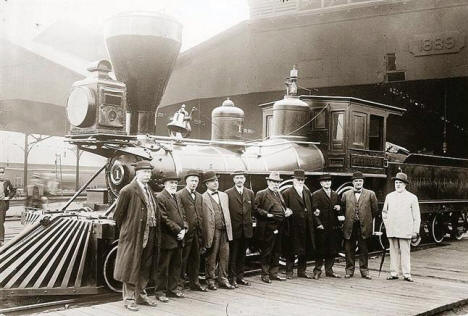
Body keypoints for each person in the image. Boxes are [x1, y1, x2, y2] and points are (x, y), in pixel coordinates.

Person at [113, 161, 159, 312]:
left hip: (149, 233)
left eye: (149, 172)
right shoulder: (128, 190)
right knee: (131, 266)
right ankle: (129, 298)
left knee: (145, 265)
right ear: (137, 173)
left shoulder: (149, 189)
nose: (148, 175)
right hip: (134, 235)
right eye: (144, 172)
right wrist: (129, 230)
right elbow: (118, 216)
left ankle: (141, 295)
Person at [254, 171, 293, 283]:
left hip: (280, 226)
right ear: (268, 182)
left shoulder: (278, 194)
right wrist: (267, 214)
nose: (276, 184)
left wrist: (287, 211)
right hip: (268, 227)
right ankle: (265, 274)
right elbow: (255, 209)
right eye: (273, 182)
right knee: (267, 251)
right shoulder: (261, 193)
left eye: (277, 182)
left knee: (277, 250)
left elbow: (283, 207)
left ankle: (273, 273)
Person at [382, 172, 421, 282]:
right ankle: (394, 273)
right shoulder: (389, 196)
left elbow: (416, 216)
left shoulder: (412, 198)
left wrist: (415, 231)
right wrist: (388, 225)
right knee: (393, 252)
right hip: (393, 230)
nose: (398, 185)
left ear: (405, 184)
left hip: (405, 230)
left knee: (405, 252)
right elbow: (384, 213)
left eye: (400, 183)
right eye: (396, 182)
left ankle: (407, 274)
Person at [156, 171, 188, 302]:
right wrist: (178, 230)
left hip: (179, 238)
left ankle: (172, 290)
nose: (174, 185)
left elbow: (183, 215)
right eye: (171, 183)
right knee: (163, 267)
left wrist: (185, 229)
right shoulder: (160, 197)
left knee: (176, 265)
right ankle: (160, 292)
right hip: (167, 238)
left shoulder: (177, 196)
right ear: (164, 184)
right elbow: (163, 219)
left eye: (175, 183)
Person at [341, 171, 378, 279]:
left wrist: (366, 219)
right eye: (356, 181)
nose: (358, 183)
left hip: (364, 226)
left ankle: (364, 271)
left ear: (363, 182)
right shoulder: (346, 194)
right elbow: (343, 209)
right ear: (352, 182)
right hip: (349, 226)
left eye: (360, 181)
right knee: (349, 249)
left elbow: (375, 210)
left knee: (364, 249)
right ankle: (349, 271)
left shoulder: (371, 194)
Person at [202, 171, 235, 290]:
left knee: (224, 255)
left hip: (225, 230)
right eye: (212, 181)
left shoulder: (224, 195)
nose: (215, 183)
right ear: (206, 184)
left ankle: (223, 279)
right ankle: (210, 280)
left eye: (216, 180)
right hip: (212, 231)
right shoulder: (202, 197)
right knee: (211, 256)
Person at [176, 170, 207, 292]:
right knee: (182, 260)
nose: (194, 183)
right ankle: (179, 285)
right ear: (186, 181)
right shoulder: (179, 195)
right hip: (186, 233)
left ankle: (195, 283)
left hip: (197, 233)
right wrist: (184, 227)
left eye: (196, 181)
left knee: (196, 258)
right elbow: (180, 214)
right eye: (192, 181)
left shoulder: (199, 196)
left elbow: (200, 214)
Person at [282, 169, 316, 279]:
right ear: (293, 180)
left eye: (302, 180)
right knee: (290, 250)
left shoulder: (306, 192)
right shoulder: (287, 193)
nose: (300, 182)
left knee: (304, 249)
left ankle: (302, 271)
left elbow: (311, 206)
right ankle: (289, 272)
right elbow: (284, 209)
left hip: (306, 225)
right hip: (293, 226)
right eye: (298, 180)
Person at [225, 170, 255, 287]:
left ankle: (240, 277)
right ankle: (232, 278)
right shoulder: (228, 193)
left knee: (242, 255)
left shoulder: (250, 193)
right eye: (237, 178)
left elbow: (252, 209)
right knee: (233, 255)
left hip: (246, 230)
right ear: (233, 180)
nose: (239, 180)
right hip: (234, 230)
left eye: (241, 178)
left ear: (244, 180)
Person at [311, 174, 341, 279]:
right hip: (322, 227)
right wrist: (318, 223)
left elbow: (339, 209)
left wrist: (339, 208)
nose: (327, 183)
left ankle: (329, 270)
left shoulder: (335, 194)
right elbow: (314, 211)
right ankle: (317, 271)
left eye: (329, 181)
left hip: (333, 227)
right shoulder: (316, 194)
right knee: (320, 250)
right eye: (325, 181)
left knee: (332, 249)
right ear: (321, 183)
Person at [0, 167, 16, 247]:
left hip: (2, 203)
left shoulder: (7, 182)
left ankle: (1, 240)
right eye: (0, 172)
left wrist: (8, 197)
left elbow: (13, 190)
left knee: (0, 221)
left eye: (2, 172)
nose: (1, 174)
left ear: (4, 173)